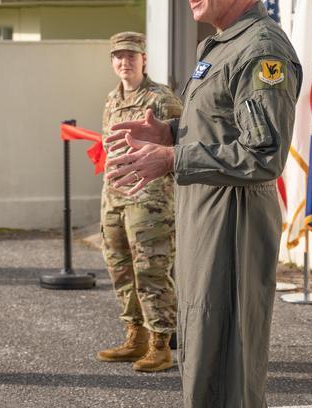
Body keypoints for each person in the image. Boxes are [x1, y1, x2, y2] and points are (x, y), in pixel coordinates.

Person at [105, 0, 301, 407]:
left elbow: (263, 155)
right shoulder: (217, 47)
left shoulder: (261, 50)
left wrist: (173, 157)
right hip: (202, 215)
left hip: (232, 224)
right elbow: (225, 129)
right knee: (199, 344)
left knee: (227, 357)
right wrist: (170, 133)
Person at [96, 32, 181, 373]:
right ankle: (136, 337)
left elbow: (178, 147)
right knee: (120, 268)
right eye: (118, 56)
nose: (124, 62)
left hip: (151, 200)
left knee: (151, 270)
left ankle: (160, 343)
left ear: (144, 59)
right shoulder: (111, 100)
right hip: (114, 198)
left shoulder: (161, 99)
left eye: (131, 55)